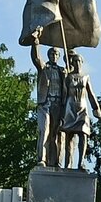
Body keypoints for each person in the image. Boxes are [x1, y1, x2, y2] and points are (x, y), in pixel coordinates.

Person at [60, 50, 101, 169]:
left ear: (82, 62)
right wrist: (61, 113)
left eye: (79, 61)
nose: (77, 63)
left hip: (82, 108)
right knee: (69, 135)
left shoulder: (85, 77)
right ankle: (68, 163)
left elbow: (91, 94)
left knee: (83, 135)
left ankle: (81, 162)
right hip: (70, 107)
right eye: (75, 61)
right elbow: (64, 94)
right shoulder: (68, 77)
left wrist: (96, 107)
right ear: (72, 62)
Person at [30, 27, 65, 167]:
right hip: (45, 104)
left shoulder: (63, 72)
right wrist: (35, 42)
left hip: (58, 104)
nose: (54, 56)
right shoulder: (44, 68)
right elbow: (36, 58)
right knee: (44, 130)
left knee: (56, 134)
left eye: (56, 54)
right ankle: (42, 159)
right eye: (52, 54)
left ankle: (55, 161)